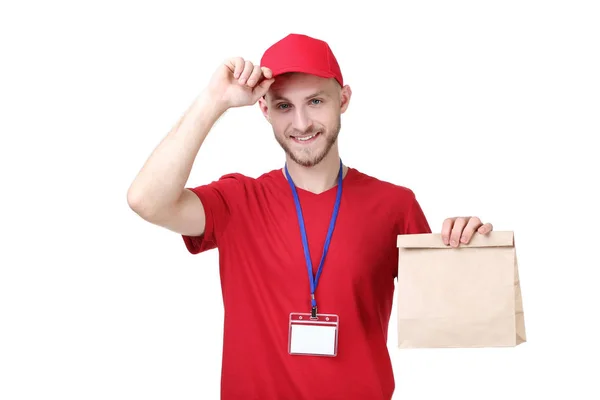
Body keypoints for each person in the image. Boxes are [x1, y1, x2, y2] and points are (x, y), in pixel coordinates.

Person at [127, 33, 494, 400]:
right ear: (265, 110)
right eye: (284, 106)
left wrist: (467, 249)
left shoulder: (395, 205)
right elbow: (147, 200)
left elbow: (453, 320)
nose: (301, 123)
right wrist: (213, 101)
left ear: (344, 100)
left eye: (315, 101)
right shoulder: (237, 201)